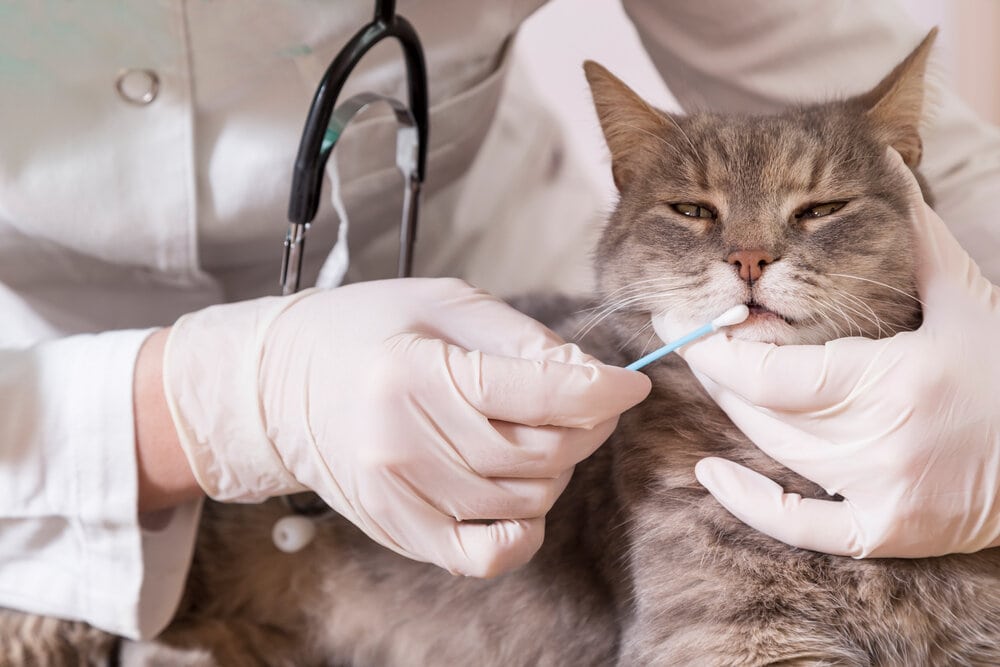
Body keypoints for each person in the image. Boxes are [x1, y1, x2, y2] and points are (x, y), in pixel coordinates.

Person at [1, 0, 999, 642]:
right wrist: (219, 401)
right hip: (41, 396)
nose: (744, 252)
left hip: (465, 282)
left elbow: (936, 169)